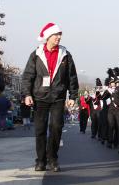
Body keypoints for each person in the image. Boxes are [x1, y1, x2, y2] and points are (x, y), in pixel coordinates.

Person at [22, 22, 79, 172]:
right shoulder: (36, 54)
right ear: (48, 37)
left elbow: (72, 76)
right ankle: (40, 160)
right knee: (40, 129)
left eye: (60, 35)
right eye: (56, 35)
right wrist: (27, 94)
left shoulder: (65, 54)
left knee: (56, 127)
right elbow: (28, 76)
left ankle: (53, 158)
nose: (59, 37)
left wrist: (73, 95)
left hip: (58, 97)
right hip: (40, 97)